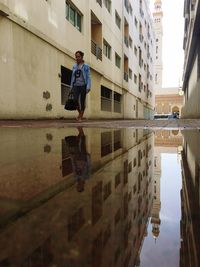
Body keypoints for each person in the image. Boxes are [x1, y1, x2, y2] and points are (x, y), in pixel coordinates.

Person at [65, 127, 91, 192]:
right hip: (83, 157)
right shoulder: (86, 177)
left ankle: (80, 129)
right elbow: (89, 166)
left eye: (77, 187)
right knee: (82, 142)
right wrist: (88, 157)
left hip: (76, 158)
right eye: (78, 187)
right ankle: (80, 128)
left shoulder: (76, 178)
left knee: (76, 144)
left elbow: (74, 167)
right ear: (82, 186)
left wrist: (72, 158)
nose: (77, 186)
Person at [70, 51, 91, 122]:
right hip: (76, 85)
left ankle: (80, 117)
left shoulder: (86, 66)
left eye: (78, 56)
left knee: (82, 101)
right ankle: (80, 114)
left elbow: (88, 77)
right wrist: (71, 87)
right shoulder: (74, 66)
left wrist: (88, 87)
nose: (77, 58)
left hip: (83, 86)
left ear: (82, 57)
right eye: (76, 56)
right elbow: (72, 77)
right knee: (75, 100)